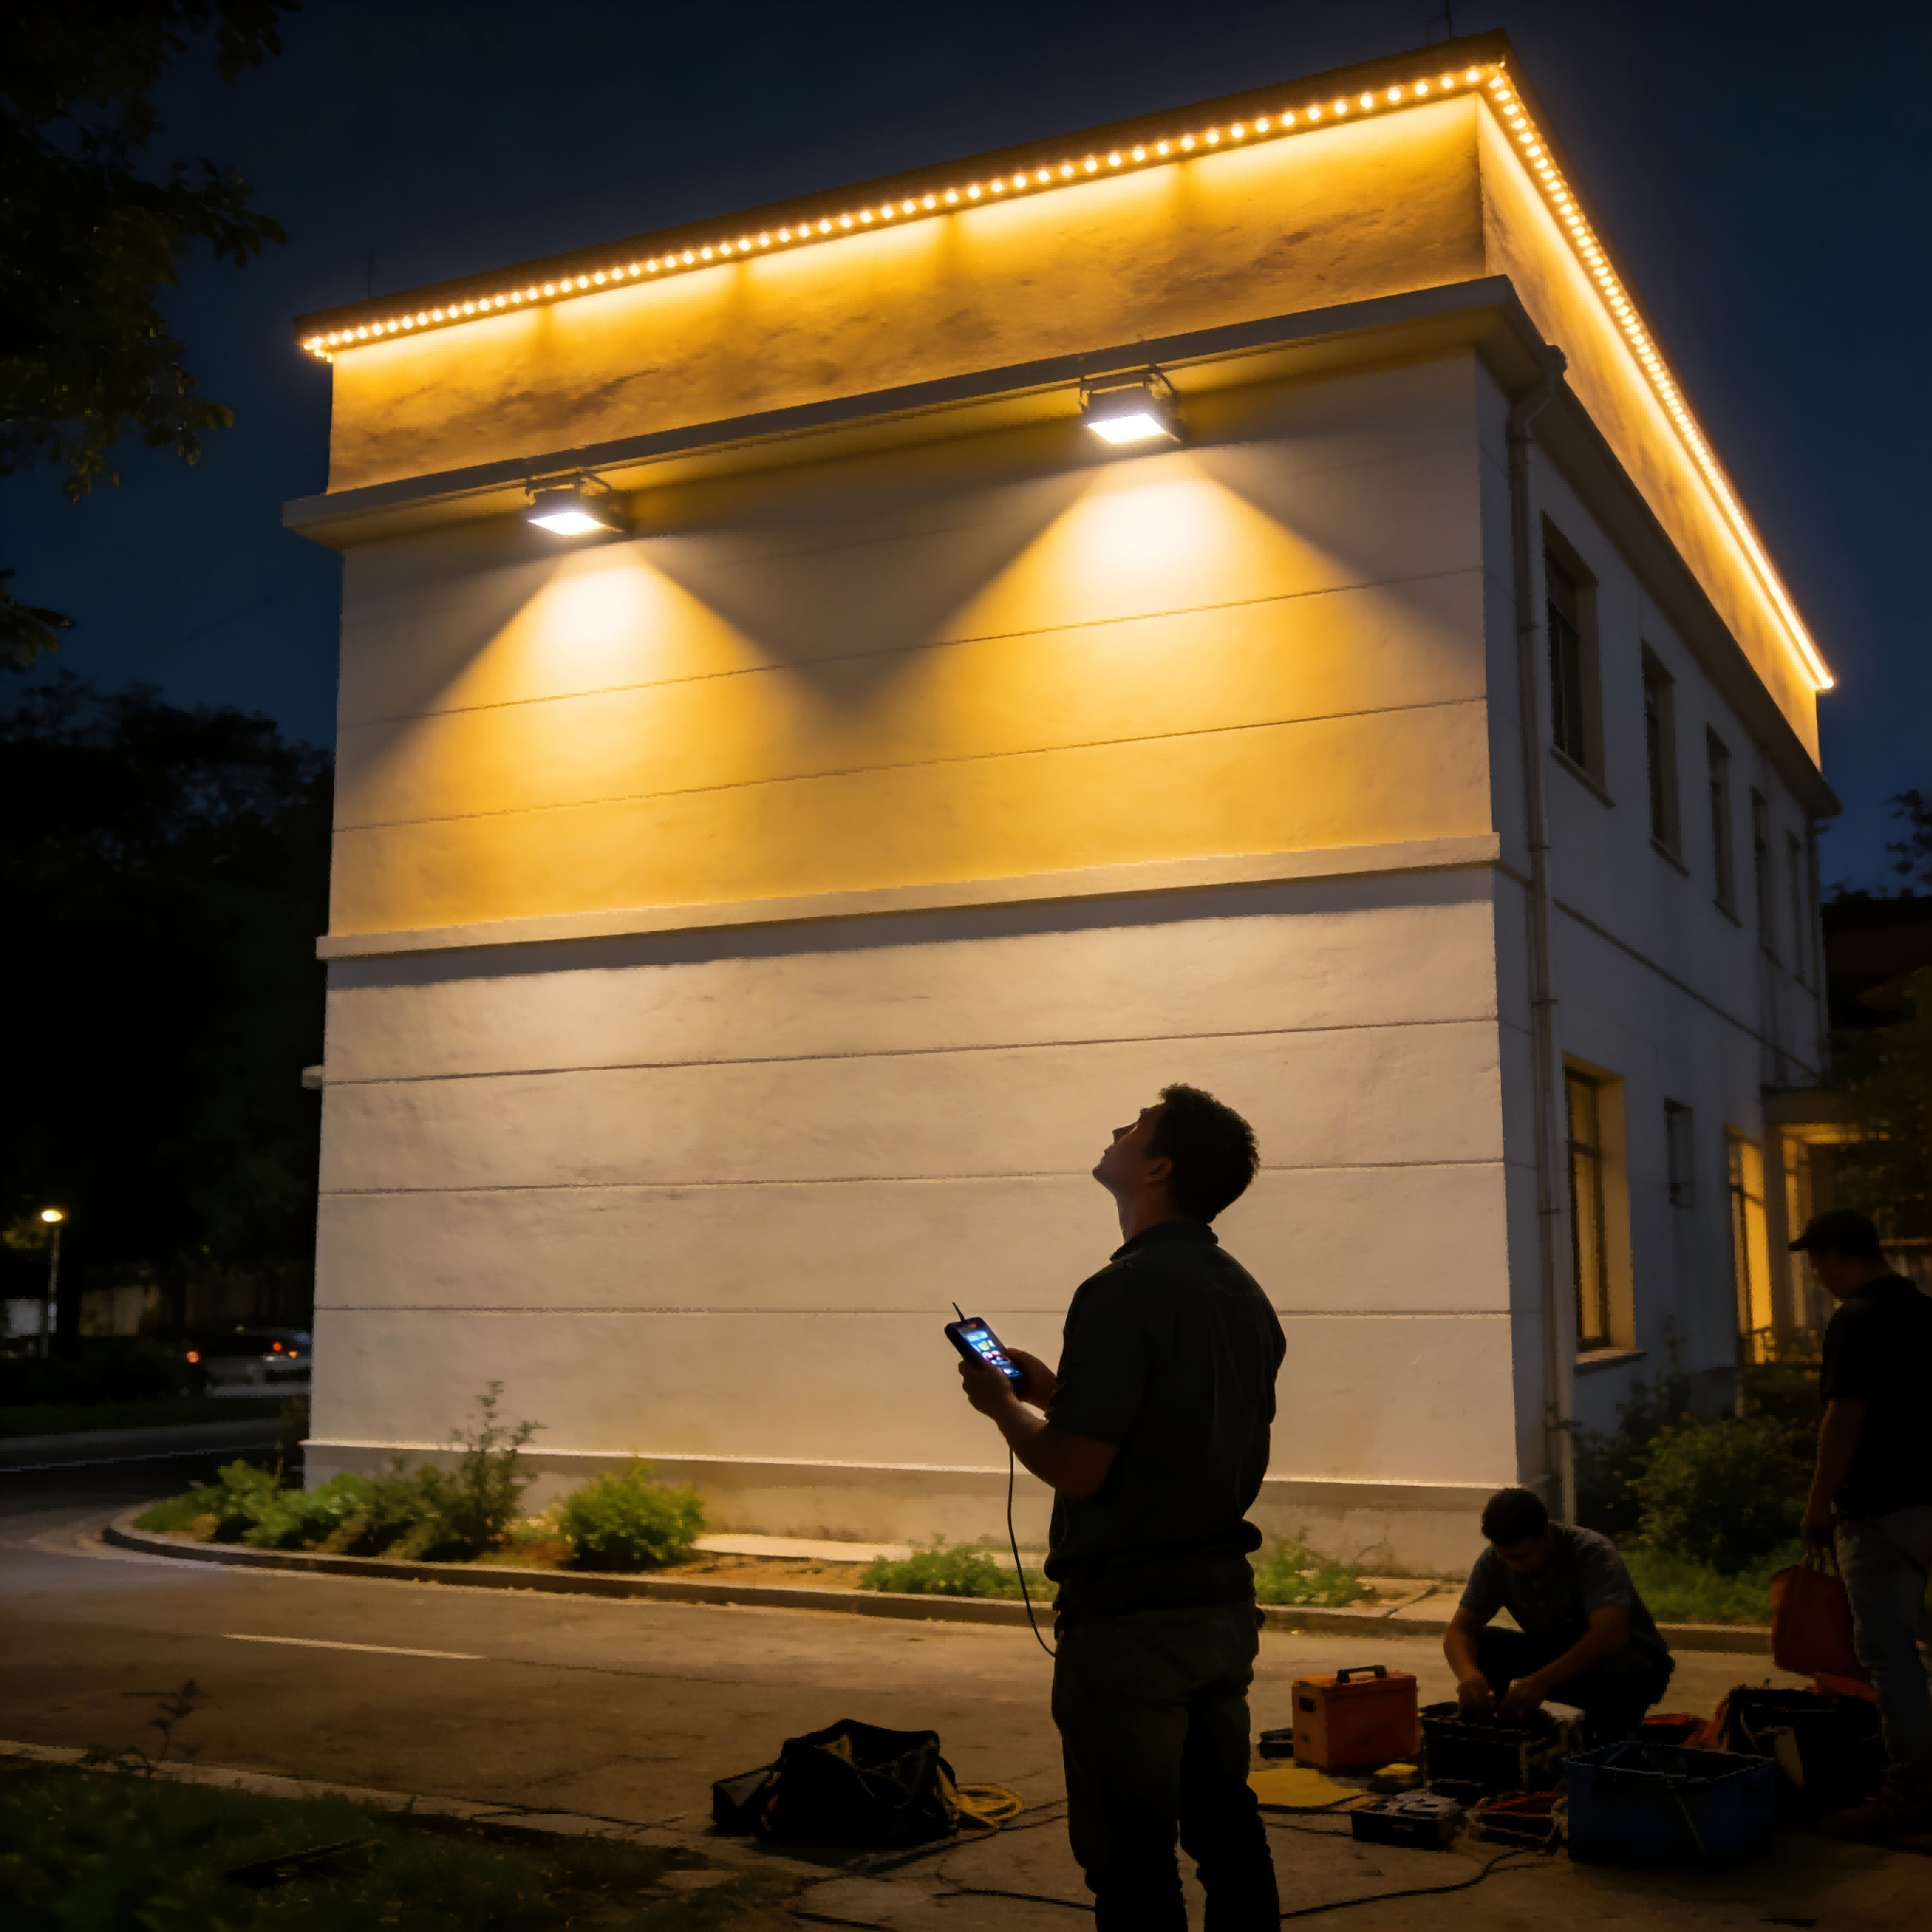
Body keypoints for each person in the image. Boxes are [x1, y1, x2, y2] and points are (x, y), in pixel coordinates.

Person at [956, 1083, 1284, 1932]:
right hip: (1218, 1606)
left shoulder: (1122, 1291)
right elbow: (1165, 1440)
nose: (1115, 1130)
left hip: (1131, 1622)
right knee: (1225, 1828)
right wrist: (1059, 1393)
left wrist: (1005, 1409)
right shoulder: (1243, 1294)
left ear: (1161, 1166)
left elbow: (1077, 1468)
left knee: (1132, 1863)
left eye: (1134, 1127)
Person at [1793, 1208, 1932, 1840]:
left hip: (1879, 1510)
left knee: (1892, 1656)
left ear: (1833, 1255)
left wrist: (1818, 1505)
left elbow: (1843, 1419)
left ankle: (1911, 1795)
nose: (1819, 1276)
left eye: (1817, 1262)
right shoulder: (1923, 1309)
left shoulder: (1857, 1319)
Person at [1443, 1487, 1673, 1745]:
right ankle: (1505, 1735)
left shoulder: (1593, 1552)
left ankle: (1607, 1747)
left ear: (1546, 1533)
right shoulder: (1493, 1562)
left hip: (1615, 1663)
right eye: (1509, 1557)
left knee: (1627, 1670)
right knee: (1486, 1643)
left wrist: (1541, 1681)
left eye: (1525, 1555)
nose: (1518, 1565)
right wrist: (1469, 1676)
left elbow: (1611, 1634)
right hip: (1554, 1658)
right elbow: (1460, 1630)